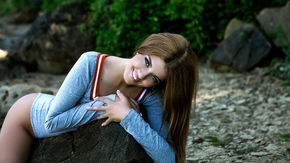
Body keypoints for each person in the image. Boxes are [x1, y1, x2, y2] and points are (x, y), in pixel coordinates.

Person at [0, 33, 198, 163]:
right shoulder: (90, 63)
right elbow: (51, 122)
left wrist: (128, 116)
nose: (141, 75)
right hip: (26, 118)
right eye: (146, 62)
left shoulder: (149, 95)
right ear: (143, 49)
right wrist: (111, 102)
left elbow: (168, 158)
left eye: (153, 77)